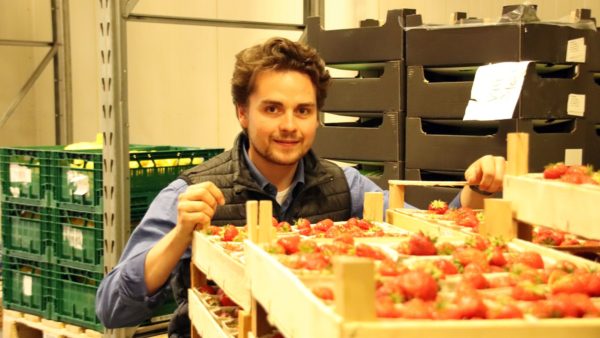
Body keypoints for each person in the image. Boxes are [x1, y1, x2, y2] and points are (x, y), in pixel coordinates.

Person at [95, 37, 505, 336]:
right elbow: (112, 308)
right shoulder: (193, 194)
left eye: (303, 110)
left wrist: (477, 190)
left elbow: (432, 239)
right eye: (272, 109)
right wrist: (180, 236)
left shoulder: (346, 186)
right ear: (242, 112)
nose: (289, 125)